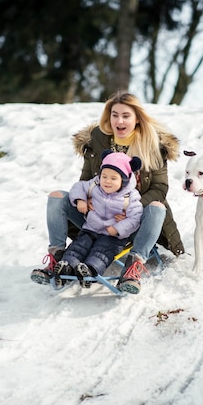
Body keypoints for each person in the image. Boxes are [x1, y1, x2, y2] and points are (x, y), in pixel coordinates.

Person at [31, 91, 185, 294]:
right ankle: (57, 259)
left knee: (158, 207)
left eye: (126, 115)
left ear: (137, 118)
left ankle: (133, 266)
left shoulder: (152, 145)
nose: (119, 120)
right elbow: (86, 180)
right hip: (97, 216)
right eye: (114, 115)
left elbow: (160, 189)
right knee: (57, 197)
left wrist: (131, 208)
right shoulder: (98, 140)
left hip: (132, 219)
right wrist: (83, 199)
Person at [40, 150, 143, 290]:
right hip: (91, 228)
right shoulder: (94, 185)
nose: (107, 181)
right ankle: (66, 266)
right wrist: (80, 199)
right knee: (78, 246)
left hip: (112, 235)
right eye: (104, 176)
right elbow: (79, 186)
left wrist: (118, 229)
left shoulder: (130, 197)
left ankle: (90, 269)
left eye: (113, 178)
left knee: (101, 252)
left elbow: (135, 217)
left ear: (123, 181)